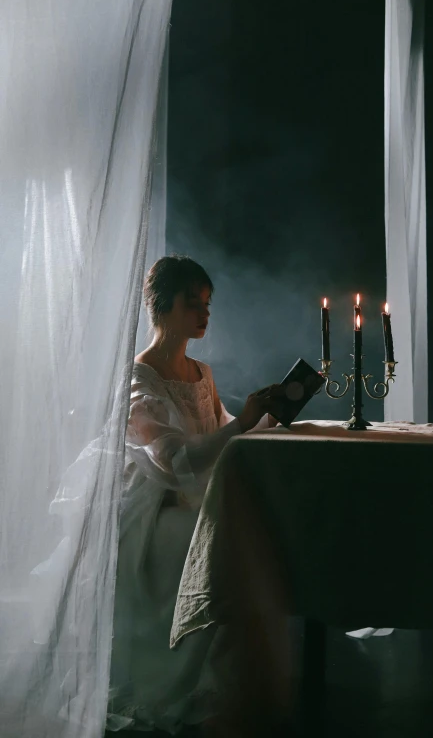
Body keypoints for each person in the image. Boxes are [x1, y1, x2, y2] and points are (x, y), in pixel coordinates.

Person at [106, 254, 280, 735]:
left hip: (199, 499)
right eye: (193, 304)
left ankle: (244, 681)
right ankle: (185, 685)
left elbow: (222, 433)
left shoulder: (201, 372)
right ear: (162, 307)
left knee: (253, 534)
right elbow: (176, 459)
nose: (204, 314)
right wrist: (242, 423)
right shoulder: (139, 379)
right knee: (223, 544)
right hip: (155, 509)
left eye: (208, 304)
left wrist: (266, 416)